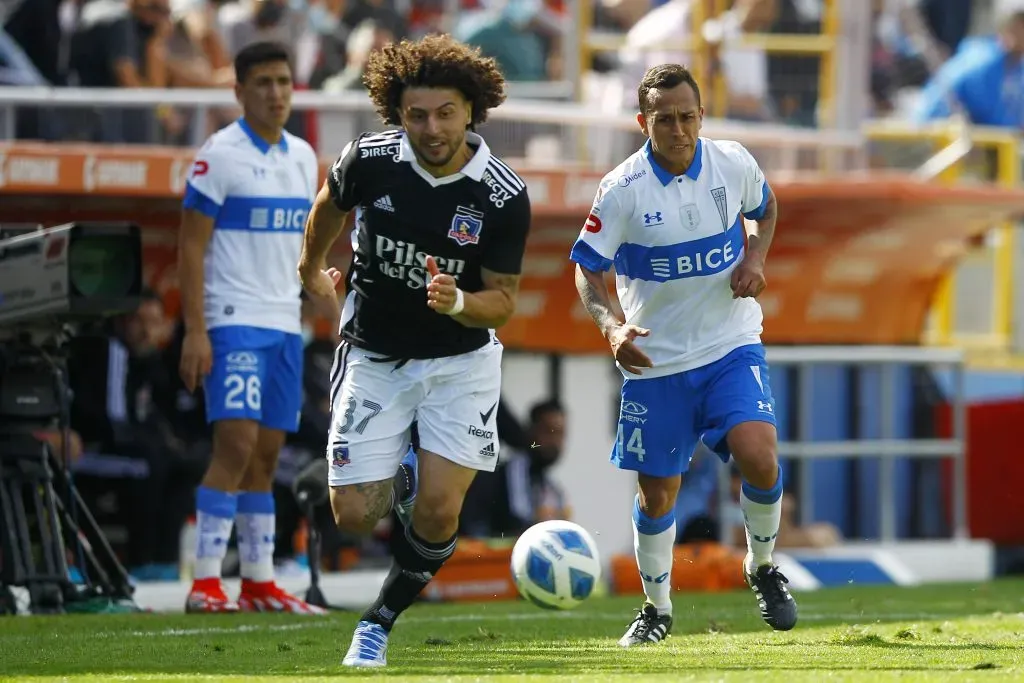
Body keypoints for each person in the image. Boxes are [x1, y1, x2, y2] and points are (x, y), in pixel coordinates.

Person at [297, 34, 531, 667]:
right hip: (375, 356)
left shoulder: (503, 196)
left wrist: (458, 301)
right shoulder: (369, 160)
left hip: (461, 364)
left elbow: (503, 300)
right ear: (397, 114)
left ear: (471, 110)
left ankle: (378, 620)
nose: (431, 127)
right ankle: (396, 466)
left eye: (446, 113)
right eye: (416, 115)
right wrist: (311, 268)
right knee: (355, 514)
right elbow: (327, 208)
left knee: (436, 510)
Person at [569, 63, 795, 646]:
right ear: (643, 122)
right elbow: (587, 268)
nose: (677, 129)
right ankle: (657, 610)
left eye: (687, 116)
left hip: (730, 343)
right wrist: (611, 328)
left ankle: (763, 568)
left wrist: (754, 260)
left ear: (701, 116)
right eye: (663, 119)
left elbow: (766, 210)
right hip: (657, 362)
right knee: (657, 493)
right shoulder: (621, 190)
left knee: (759, 455)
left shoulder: (733, 162)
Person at [177, 41, 326, 614]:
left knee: (266, 455)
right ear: (239, 92)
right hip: (232, 319)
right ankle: (205, 580)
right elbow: (191, 247)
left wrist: (317, 291)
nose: (276, 93)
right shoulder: (219, 155)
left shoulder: (302, 156)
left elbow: (303, 242)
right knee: (234, 445)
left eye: (284, 81)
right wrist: (196, 330)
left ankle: (259, 580)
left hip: (284, 324)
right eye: (262, 82)